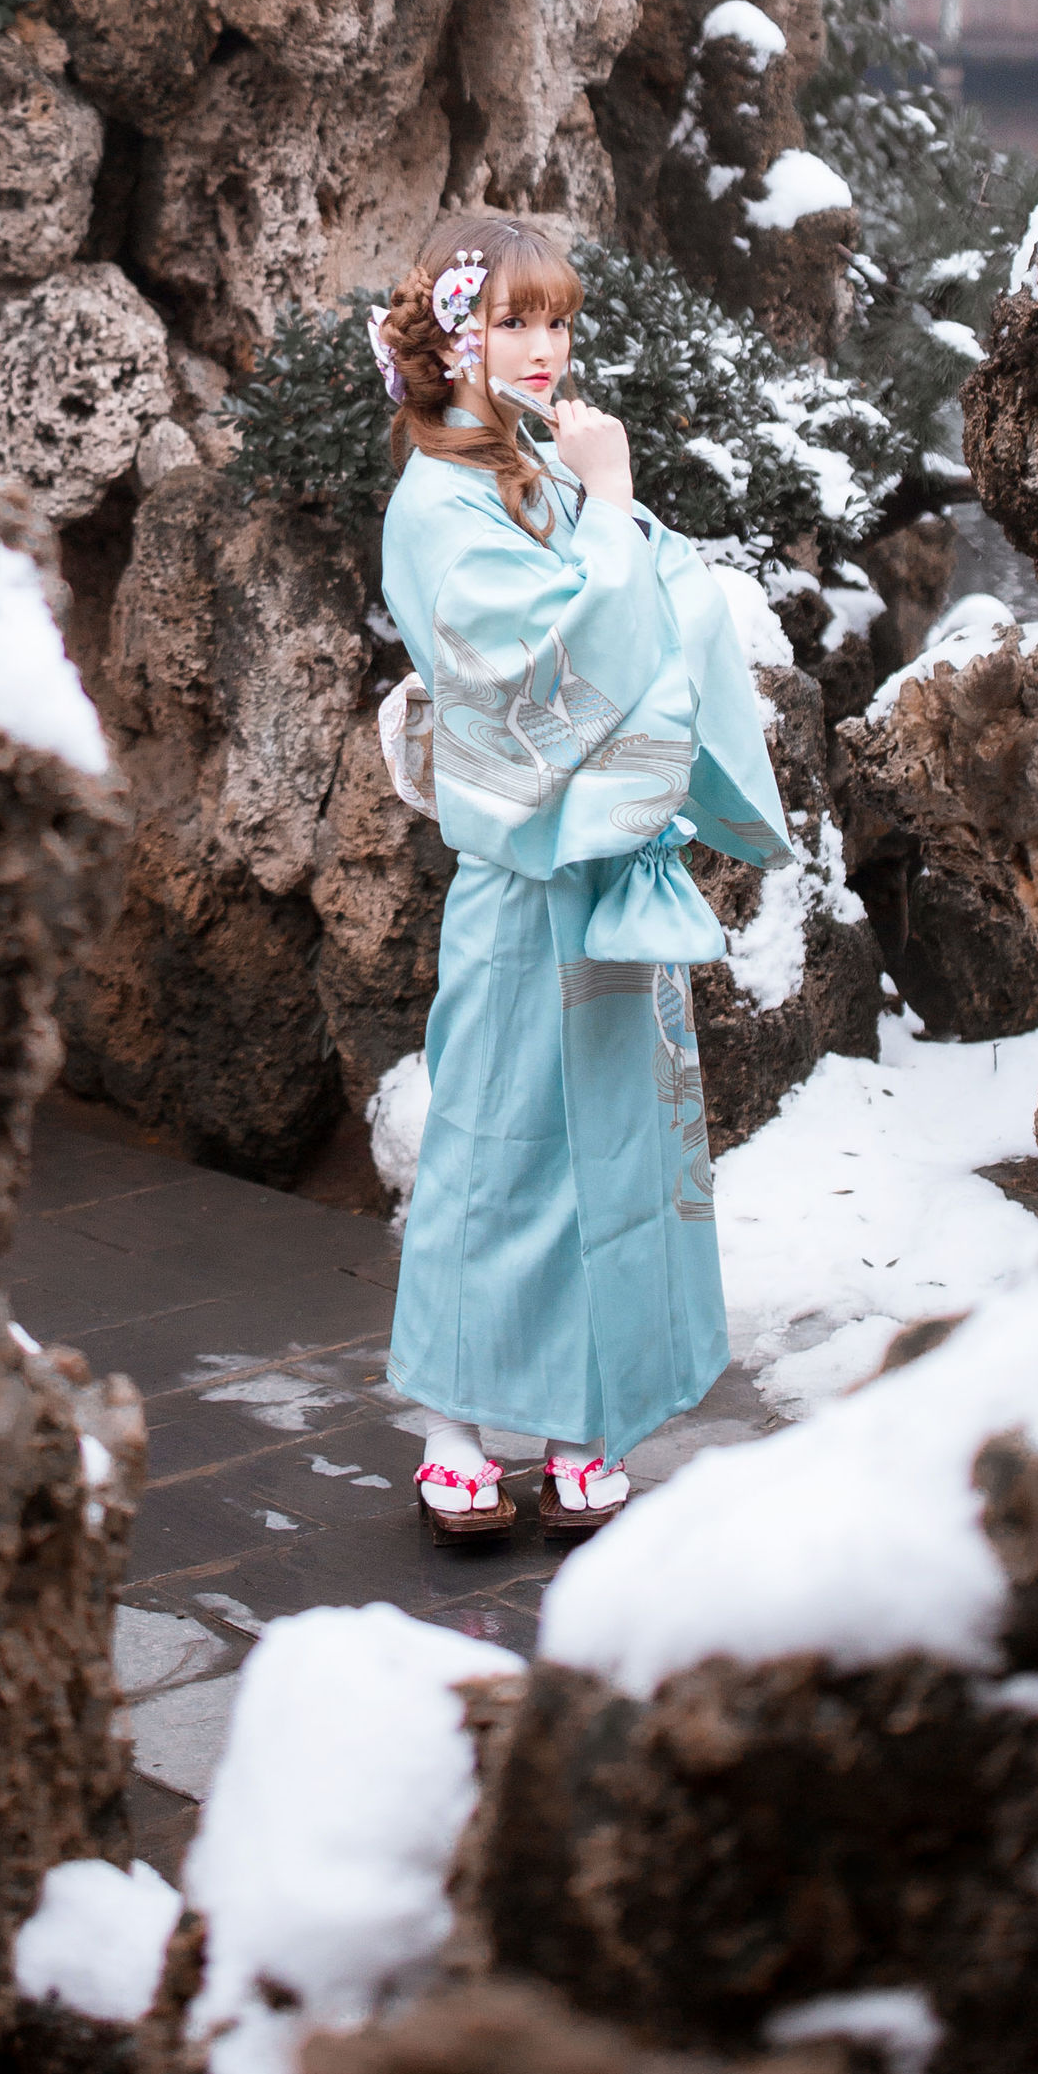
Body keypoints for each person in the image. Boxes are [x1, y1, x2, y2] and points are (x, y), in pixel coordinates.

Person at [369, 209, 791, 1548]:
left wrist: (608, 513)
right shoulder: (435, 499)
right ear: (452, 333)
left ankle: (573, 1420)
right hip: (523, 872)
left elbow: (669, 612)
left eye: (556, 320)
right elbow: (535, 669)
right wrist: (613, 506)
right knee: (496, 1141)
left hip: (617, 866)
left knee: (610, 1147)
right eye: (511, 320)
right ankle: (450, 1422)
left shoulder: (544, 471)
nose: (542, 348)